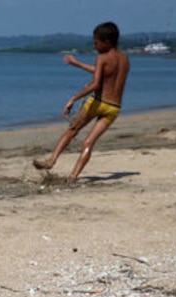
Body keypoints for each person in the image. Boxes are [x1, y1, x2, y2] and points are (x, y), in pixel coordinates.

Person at [33, 22, 130, 185]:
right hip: (114, 108)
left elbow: (96, 84)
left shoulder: (102, 57)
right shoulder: (124, 59)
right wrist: (77, 63)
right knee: (88, 143)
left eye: (96, 42)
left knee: (72, 130)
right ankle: (73, 177)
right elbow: (105, 73)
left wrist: (74, 98)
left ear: (107, 42)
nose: (95, 45)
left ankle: (51, 161)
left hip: (97, 102)